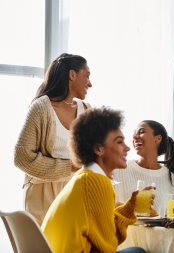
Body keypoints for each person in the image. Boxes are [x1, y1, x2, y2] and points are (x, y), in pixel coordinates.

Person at [42, 107, 148, 253]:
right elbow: (107, 246)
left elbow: (100, 234)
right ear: (99, 149)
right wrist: (129, 211)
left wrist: (131, 206)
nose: (127, 148)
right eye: (119, 142)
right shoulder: (97, 182)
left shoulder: (83, 176)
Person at [14, 53, 92, 225]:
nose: (90, 83)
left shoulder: (87, 110)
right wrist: (69, 166)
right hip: (42, 195)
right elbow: (21, 157)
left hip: (75, 192)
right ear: (72, 75)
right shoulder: (41, 108)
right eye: (87, 76)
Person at [114, 120, 174, 216]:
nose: (134, 137)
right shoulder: (119, 168)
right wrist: (131, 205)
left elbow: (170, 217)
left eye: (141, 131)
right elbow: (105, 205)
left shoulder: (170, 177)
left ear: (158, 139)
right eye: (134, 133)